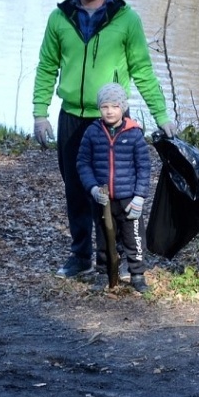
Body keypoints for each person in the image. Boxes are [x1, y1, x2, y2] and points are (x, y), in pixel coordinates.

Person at [31, 0, 177, 279]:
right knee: (77, 190)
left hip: (110, 121)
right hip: (71, 116)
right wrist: (40, 113)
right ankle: (81, 257)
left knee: (115, 191)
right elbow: (46, 68)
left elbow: (142, 70)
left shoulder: (126, 19)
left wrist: (161, 115)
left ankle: (122, 259)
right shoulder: (60, 18)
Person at [77, 83, 153, 292]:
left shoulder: (134, 134)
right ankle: (104, 273)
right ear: (99, 108)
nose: (110, 111)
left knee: (134, 237)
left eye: (115, 106)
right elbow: (83, 163)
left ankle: (137, 275)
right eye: (105, 107)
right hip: (102, 199)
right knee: (103, 237)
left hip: (128, 198)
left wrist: (139, 196)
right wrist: (92, 188)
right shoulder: (92, 133)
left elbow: (144, 167)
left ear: (123, 108)